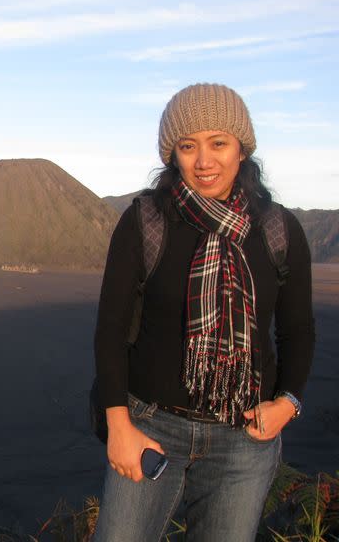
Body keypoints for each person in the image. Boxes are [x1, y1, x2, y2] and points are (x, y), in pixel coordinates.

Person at [91, 83, 315, 542]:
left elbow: (297, 329)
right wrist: (119, 427)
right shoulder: (146, 222)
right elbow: (110, 330)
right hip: (150, 428)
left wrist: (287, 403)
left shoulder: (277, 230)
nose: (204, 160)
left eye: (219, 143)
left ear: (242, 149)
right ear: (172, 154)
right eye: (188, 146)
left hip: (243, 439)